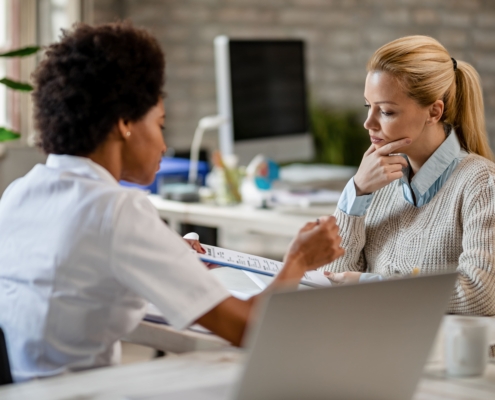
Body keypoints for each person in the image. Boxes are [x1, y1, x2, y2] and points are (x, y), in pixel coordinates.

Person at [0, 22, 344, 382]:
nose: (164, 146)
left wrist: (164, 253)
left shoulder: (20, 191)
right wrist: (299, 261)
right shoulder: (116, 210)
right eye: (160, 124)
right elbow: (248, 329)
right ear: (125, 123)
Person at [322, 35, 495, 316]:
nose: (369, 123)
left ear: (434, 112)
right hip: (379, 344)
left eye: (387, 111)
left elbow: (480, 293)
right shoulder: (375, 179)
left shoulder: (482, 184)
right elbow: (332, 277)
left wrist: (374, 285)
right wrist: (356, 194)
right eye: (369, 107)